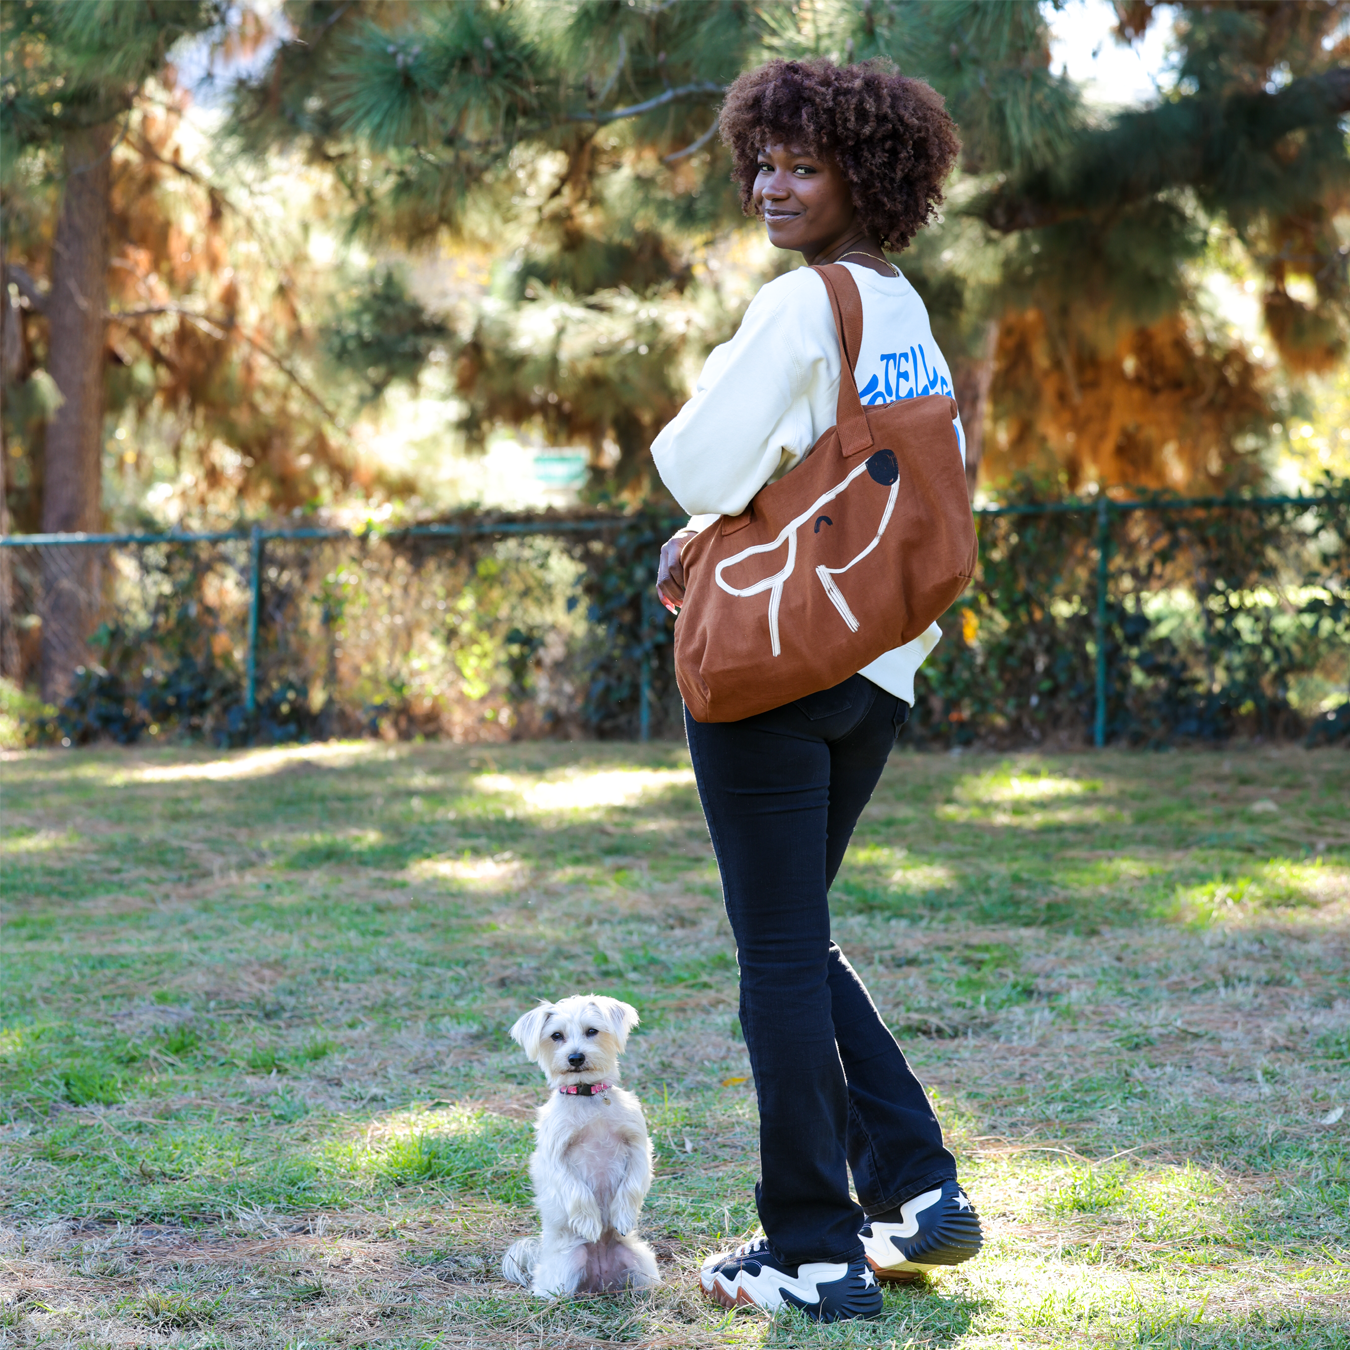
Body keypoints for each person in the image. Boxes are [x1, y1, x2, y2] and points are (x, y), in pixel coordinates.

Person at [650, 58, 981, 1323]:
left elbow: (694, 456)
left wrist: (702, 519)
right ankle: (917, 1188)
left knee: (777, 955)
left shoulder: (804, 308)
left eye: (804, 165)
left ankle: (814, 1251)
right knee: (796, 938)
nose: (774, 187)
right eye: (764, 163)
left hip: (773, 667)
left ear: (866, 175)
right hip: (878, 669)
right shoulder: (903, 308)